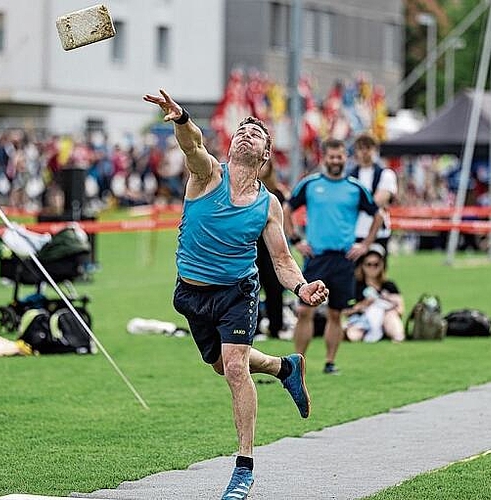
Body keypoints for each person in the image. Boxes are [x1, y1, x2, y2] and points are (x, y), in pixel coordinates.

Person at [143, 89, 329, 500]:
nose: (245, 135)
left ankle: (243, 467)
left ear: (265, 156)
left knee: (233, 366)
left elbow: (281, 260)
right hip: (191, 293)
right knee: (219, 365)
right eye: (240, 131)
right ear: (229, 145)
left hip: (238, 292)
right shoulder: (207, 174)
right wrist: (181, 118)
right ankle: (285, 368)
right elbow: (191, 144)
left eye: (255, 134)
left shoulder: (269, 205)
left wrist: (301, 286)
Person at [284, 138, 384, 375]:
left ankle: (330, 362)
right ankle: (298, 363)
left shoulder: (355, 187)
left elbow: (378, 214)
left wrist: (366, 244)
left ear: (345, 158)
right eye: (332, 157)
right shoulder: (310, 184)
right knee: (305, 310)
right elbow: (287, 209)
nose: (336, 161)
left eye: (340, 157)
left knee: (336, 313)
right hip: (316, 257)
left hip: (344, 259)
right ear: (324, 158)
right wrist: (296, 240)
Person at [344, 244, 405, 343]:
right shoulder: (355, 286)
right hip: (361, 319)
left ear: (382, 265)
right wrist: (363, 305)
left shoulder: (389, 285)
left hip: (385, 318)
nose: (372, 268)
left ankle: (393, 336)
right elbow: (345, 311)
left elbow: (401, 309)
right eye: (368, 264)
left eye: (376, 264)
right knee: (354, 335)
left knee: (392, 319)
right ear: (362, 266)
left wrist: (387, 300)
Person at [256, 159, 288, 339]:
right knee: (251, 288)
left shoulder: (277, 194)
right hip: (252, 246)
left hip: (270, 247)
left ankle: (276, 327)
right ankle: (255, 327)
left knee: (274, 289)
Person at [349, 133, 397, 255]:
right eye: (360, 148)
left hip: (379, 233)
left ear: (375, 150)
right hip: (354, 232)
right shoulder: (349, 176)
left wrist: (356, 202)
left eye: (368, 148)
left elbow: (378, 201)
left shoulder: (386, 174)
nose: (365, 152)